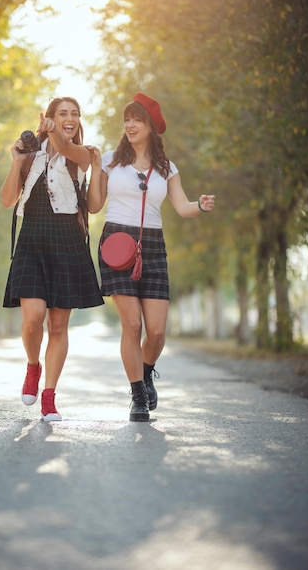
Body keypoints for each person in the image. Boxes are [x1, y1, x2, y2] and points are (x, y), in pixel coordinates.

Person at [87, 92, 215, 422]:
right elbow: (94, 204)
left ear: (150, 127)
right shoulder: (112, 160)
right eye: (127, 119)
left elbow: (183, 207)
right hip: (116, 242)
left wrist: (199, 205)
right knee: (131, 324)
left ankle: (146, 373)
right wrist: (94, 169)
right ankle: (137, 397)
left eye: (137, 120)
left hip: (153, 246)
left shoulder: (166, 168)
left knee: (156, 332)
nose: (130, 124)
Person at [1, 96, 103, 422]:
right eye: (62, 114)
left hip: (68, 241)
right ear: (49, 117)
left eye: (74, 114)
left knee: (58, 325)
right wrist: (16, 161)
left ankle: (49, 397)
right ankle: (33, 366)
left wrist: (52, 130)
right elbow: (6, 201)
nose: (69, 118)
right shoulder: (30, 157)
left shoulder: (83, 154)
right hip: (31, 239)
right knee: (33, 318)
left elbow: (64, 145)